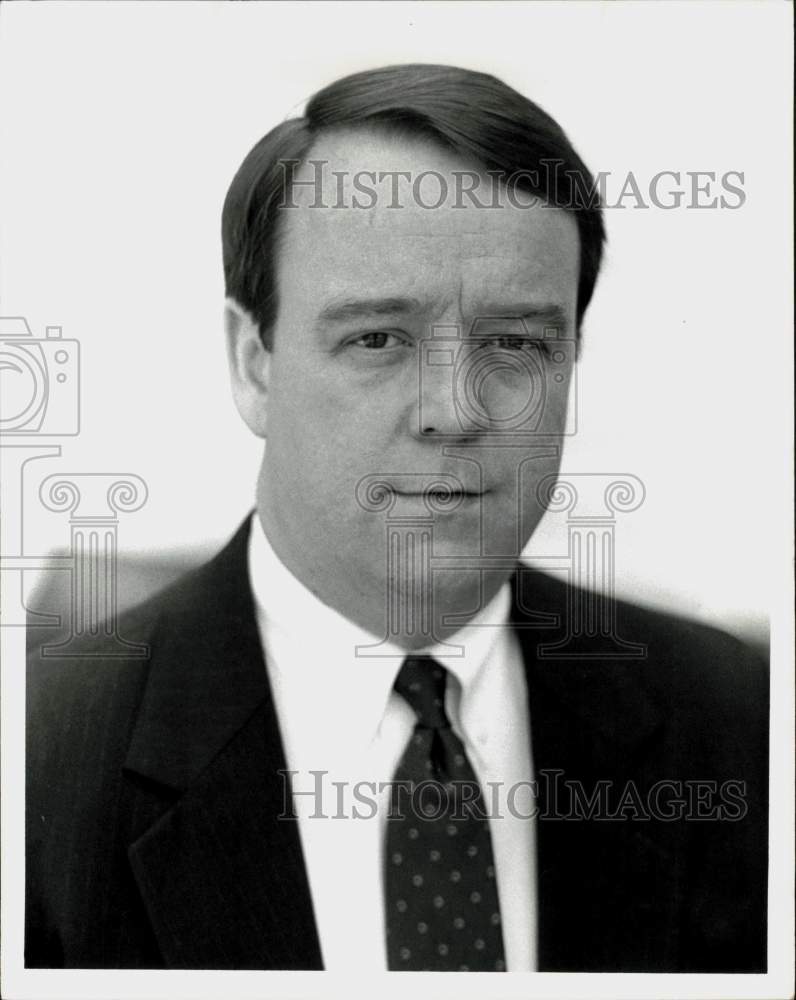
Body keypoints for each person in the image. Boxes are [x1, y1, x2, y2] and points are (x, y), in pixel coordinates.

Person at [25, 64, 768, 973]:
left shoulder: (745, 727)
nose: (455, 409)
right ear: (253, 363)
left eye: (515, 344)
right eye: (377, 339)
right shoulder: (35, 769)